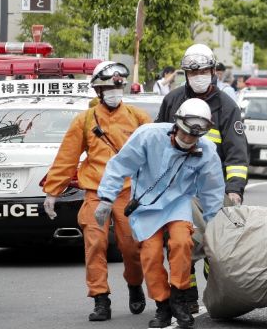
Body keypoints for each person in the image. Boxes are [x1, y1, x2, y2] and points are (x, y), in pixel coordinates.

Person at [96, 98, 225, 329]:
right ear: (176, 124)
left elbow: (212, 189)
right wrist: (106, 198)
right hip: (145, 204)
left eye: (195, 136)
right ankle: (163, 305)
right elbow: (119, 165)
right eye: (185, 133)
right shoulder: (148, 136)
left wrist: (213, 222)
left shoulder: (206, 150)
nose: (188, 139)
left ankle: (179, 298)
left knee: (182, 242)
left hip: (178, 202)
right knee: (151, 254)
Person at [42, 61, 152, 321]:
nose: (114, 91)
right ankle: (100, 298)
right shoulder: (84, 120)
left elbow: (154, 155)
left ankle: (135, 284)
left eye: (118, 86)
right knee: (95, 245)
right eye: (107, 87)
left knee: (132, 248)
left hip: (128, 192)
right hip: (95, 192)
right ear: (98, 91)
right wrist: (52, 192)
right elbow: (67, 157)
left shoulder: (139, 118)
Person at [156, 43, 249, 312]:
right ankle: (186, 295)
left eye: (204, 70)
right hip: (177, 187)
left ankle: (212, 273)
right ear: (185, 74)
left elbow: (236, 153)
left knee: (213, 243)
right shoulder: (172, 100)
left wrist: (234, 189)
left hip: (212, 189)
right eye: (192, 71)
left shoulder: (227, 106)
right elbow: (158, 141)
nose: (199, 75)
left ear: (213, 71)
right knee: (179, 242)